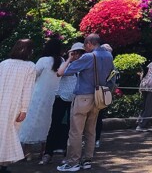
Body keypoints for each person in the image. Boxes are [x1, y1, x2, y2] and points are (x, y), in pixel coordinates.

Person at [57, 33, 113, 172]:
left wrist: (70, 57)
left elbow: (61, 72)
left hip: (83, 96)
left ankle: (73, 162)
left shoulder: (88, 57)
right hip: (98, 96)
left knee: (76, 131)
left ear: (89, 43)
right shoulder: (108, 56)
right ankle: (87, 160)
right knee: (91, 131)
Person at [18, 37, 62, 157]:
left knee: (32, 121)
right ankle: (44, 150)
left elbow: (34, 75)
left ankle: (27, 152)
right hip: (53, 96)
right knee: (47, 123)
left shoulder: (43, 60)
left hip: (38, 95)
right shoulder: (62, 61)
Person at [42, 43, 84, 166]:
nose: (77, 55)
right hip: (61, 97)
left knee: (72, 128)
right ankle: (48, 153)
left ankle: (67, 153)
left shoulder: (84, 65)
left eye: (79, 52)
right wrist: (69, 59)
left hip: (76, 99)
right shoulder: (67, 64)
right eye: (74, 52)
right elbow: (59, 73)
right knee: (54, 124)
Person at [0, 39, 36, 173]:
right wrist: (24, 109)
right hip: (14, 104)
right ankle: (3, 166)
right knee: (9, 133)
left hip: (2, 101)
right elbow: (28, 90)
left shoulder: (3, 64)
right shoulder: (30, 67)